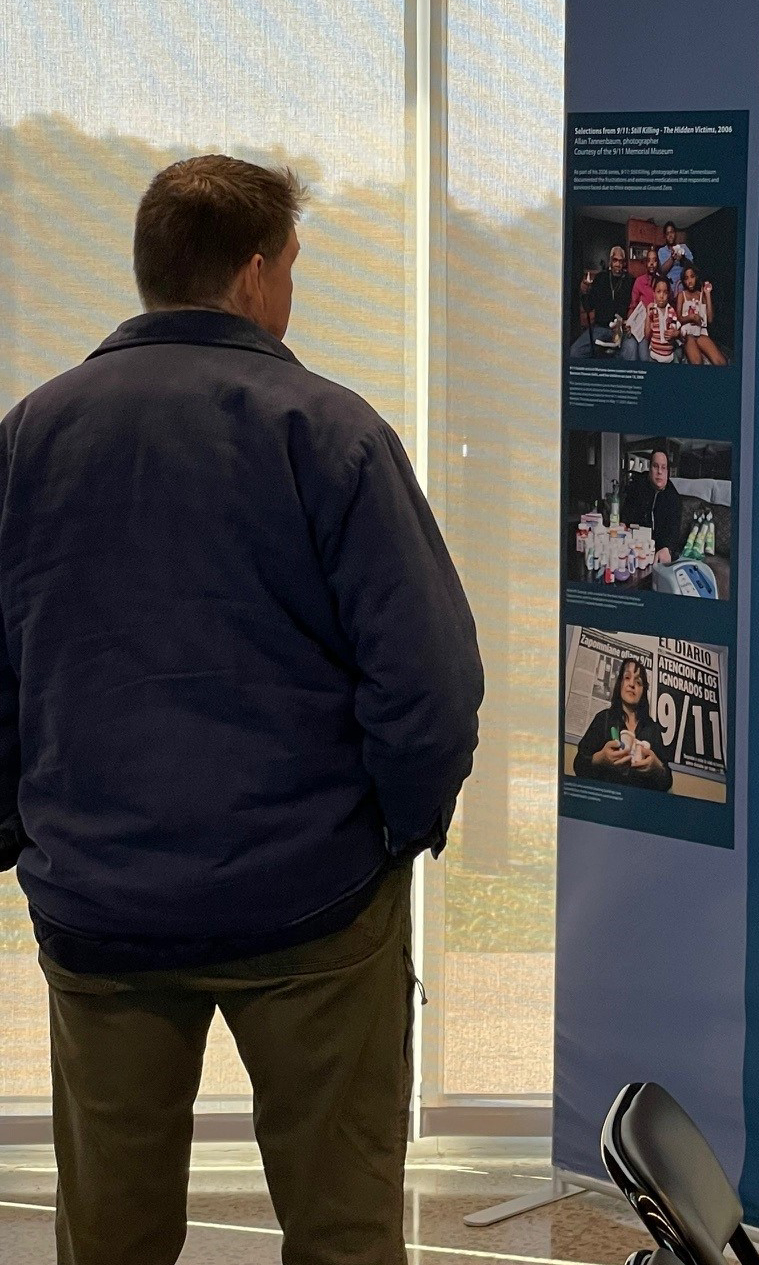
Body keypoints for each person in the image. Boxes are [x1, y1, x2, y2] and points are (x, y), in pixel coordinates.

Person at [0, 155, 485, 1265]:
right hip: (312, 904)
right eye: (298, 270)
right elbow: (431, 680)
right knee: (343, 1233)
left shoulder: (28, 436)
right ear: (257, 274)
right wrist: (397, 832)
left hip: (100, 904)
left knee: (109, 1242)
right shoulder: (329, 432)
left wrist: (22, 830)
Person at [572, 656, 673, 792]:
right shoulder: (604, 719)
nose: (632, 684)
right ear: (619, 683)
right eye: (627, 678)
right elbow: (579, 765)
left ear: (643, 691)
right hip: (606, 801)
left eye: (638, 682)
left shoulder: (653, 729)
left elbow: (667, 782)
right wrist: (599, 759)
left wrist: (657, 767)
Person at [569, 245, 635, 359]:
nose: (618, 264)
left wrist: (627, 323)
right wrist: (584, 291)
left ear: (624, 263)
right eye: (615, 260)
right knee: (574, 352)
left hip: (621, 331)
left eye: (621, 261)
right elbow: (588, 306)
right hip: (600, 328)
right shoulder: (601, 278)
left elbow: (634, 306)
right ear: (610, 261)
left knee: (631, 350)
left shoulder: (630, 281)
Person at [622, 445, 684, 563]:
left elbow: (674, 530)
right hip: (634, 546)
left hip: (659, 550)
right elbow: (626, 513)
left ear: (668, 471)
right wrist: (623, 524)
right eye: (655, 466)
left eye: (663, 467)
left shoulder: (674, 498)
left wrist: (667, 548)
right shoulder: (637, 486)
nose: (659, 471)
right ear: (650, 468)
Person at [676, 264, 727, 365]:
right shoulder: (682, 295)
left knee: (720, 362)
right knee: (697, 362)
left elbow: (710, 319)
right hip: (688, 333)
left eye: (692, 276)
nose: (690, 281)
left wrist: (707, 294)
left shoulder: (700, 295)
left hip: (701, 332)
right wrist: (691, 317)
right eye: (686, 278)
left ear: (696, 277)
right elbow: (679, 318)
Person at [627, 252, 664, 363]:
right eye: (649, 260)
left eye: (654, 260)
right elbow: (633, 306)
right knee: (640, 355)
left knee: (645, 358)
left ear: (658, 263)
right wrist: (629, 323)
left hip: (658, 326)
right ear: (646, 263)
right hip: (642, 326)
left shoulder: (662, 282)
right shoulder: (639, 281)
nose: (652, 263)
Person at [644, 276, 681, 364]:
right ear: (654, 294)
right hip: (654, 356)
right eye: (658, 292)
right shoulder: (653, 311)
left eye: (665, 292)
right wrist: (648, 314)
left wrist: (675, 334)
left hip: (669, 356)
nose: (661, 296)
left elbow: (676, 330)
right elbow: (646, 335)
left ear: (668, 294)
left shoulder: (671, 311)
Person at [656, 220, 694, 292]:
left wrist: (682, 259)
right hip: (671, 289)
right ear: (665, 236)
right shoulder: (661, 251)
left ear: (675, 233)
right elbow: (662, 271)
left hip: (686, 287)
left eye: (672, 232)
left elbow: (692, 266)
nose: (670, 235)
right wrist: (672, 258)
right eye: (667, 233)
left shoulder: (684, 247)